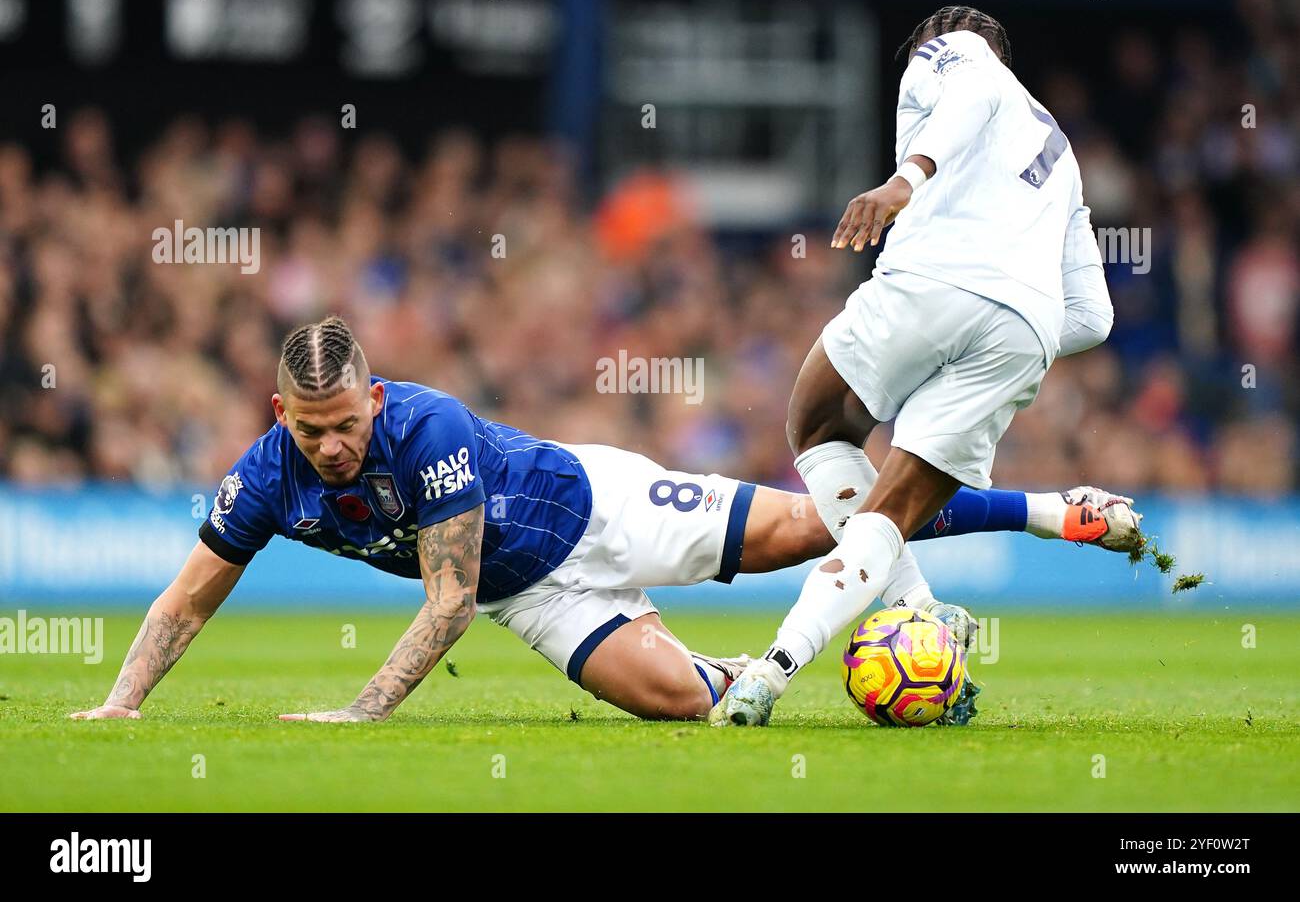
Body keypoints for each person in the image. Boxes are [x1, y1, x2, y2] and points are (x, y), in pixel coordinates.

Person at [71, 315, 1136, 725]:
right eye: (312, 432)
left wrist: (363, 712)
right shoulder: (263, 478)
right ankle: (720, 666)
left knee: (818, 526)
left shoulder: (427, 428)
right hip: (529, 592)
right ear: (279, 415)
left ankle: (1051, 510)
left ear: (377, 401)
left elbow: (442, 605)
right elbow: (189, 594)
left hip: (599, 507)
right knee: (680, 709)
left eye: (346, 425)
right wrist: (120, 704)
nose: (332, 448)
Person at [712, 6, 1129, 727]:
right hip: (1023, 327)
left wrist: (906, 180)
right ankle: (825, 652)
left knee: (815, 425)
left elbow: (971, 94)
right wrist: (1012, 328)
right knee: (890, 515)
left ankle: (832, 643)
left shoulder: (952, 50)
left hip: (932, 280)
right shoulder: (1060, 152)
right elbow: (1094, 319)